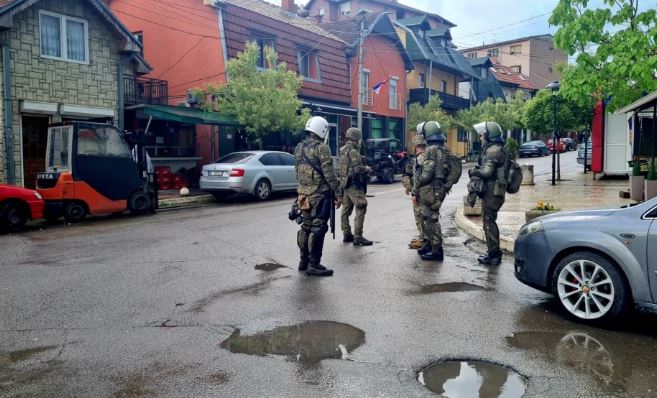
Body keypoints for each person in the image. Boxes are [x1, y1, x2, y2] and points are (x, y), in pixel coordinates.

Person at [294, 116, 343, 277]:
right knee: (318, 228)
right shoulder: (322, 148)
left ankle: (304, 261)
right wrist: (337, 192)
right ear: (322, 129)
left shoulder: (299, 147)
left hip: (303, 194)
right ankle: (313, 264)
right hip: (319, 195)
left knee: (306, 227)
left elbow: (297, 171)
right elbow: (328, 173)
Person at [469, 121, 508, 266]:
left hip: (492, 192)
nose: (480, 138)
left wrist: (474, 171)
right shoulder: (498, 149)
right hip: (495, 191)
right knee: (489, 221)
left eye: (482, 135)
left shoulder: (493, 150)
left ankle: (494, 255)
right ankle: (493, 252)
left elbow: (487, 172)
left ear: (489, 135)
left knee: (488, 222)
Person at [413, 121, 452, 262]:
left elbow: (427, 174)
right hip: (439, 188)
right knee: (426, 216)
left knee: (432, 218)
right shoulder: (444, 148)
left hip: (433, 189)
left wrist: (415, 188)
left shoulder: (431, 150)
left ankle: (436, 250)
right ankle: (429, 245)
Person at [338, 127, 374, 246]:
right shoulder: (353, 151)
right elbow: (357, 169)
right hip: (354, 183)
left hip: (345, 184)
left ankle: (346, 234)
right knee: (361, 206)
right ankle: (358, 237)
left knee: (346, 209)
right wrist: (367, 169)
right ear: (357, 138)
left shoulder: (342, 150)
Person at [402, 134, 427, 249]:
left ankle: (424, 239)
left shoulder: (419, 159)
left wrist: (414, 193)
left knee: (419, 215)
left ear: (416, 146)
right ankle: (425, 237)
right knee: (424, 215)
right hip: (427, 192)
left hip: (420, 192)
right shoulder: (428, 156)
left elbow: (417, 177)